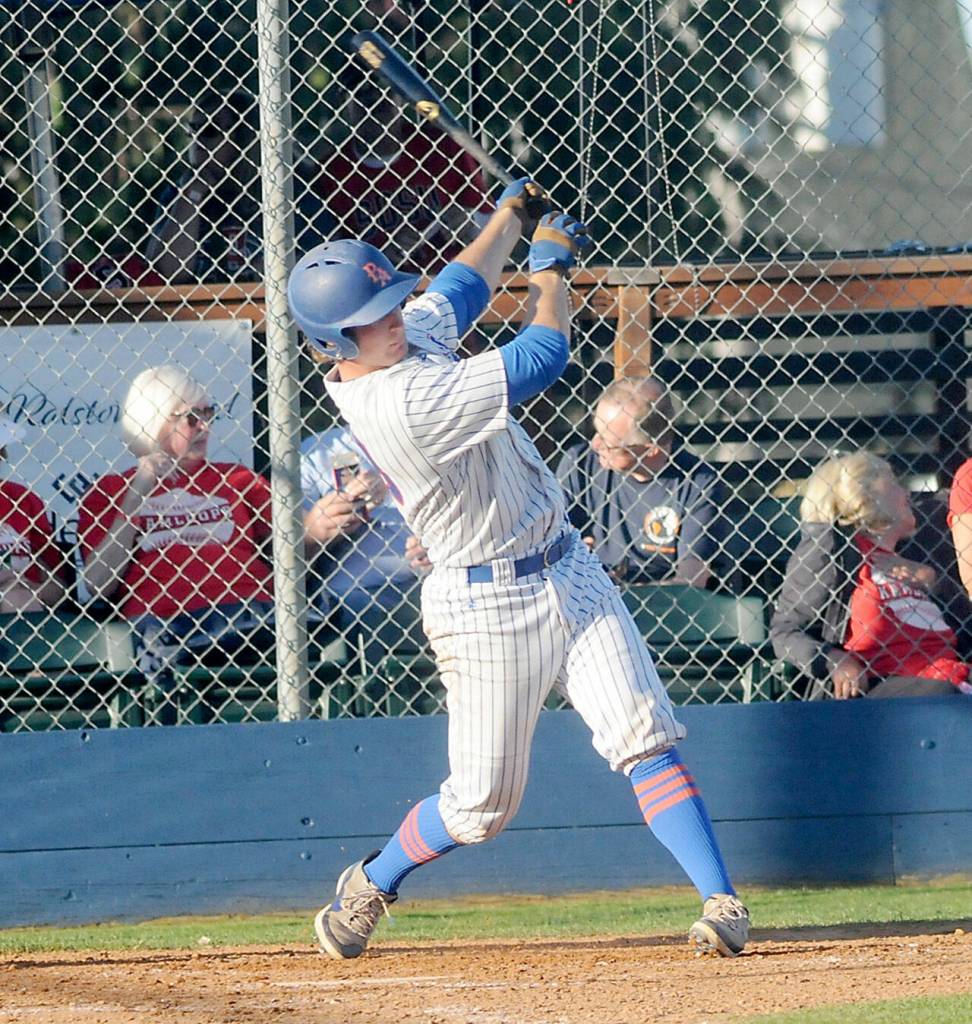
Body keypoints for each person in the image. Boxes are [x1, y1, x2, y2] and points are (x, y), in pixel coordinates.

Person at [287, 177, 749, 960]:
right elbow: (545, 353)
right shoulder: (398, 403)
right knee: (481, 807)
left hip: (568, 566)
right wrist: (550, 271)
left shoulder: (401, 336)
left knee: (644, 734)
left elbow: (460, 289)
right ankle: (372, 881)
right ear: (333, 346)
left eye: (390, 304)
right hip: (483, 603)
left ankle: (720, 899)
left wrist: (507, 217)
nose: (393, 322)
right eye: (370, 322)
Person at [77, 365, 275, 725]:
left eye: (209, 414)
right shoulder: (110, 491)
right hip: (168, 622)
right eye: (191, 419)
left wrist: (322, 524)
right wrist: (139, 490)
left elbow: (292, 546)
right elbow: (97, 584)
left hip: (252, 611)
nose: (205, 428)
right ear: (154, 421)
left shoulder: (237, 478)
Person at [771, 451, 972, 699]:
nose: (907, 493)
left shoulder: (917, 555)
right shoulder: (832, 551)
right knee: (942, 693)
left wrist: (933, 581)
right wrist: (833, 660)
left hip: (953, 677)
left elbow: (967, 626)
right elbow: (785, 631)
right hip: (882, 691)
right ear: (864, 494)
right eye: (895, 483)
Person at [146, 89, 333, 285]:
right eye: (193, 129)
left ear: (244, 137)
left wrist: (285, 268)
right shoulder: (181, 194)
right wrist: (191, 197)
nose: (197, 139)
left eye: (210, 130)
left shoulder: (289, 191)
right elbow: (166, 273)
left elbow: (324, 262)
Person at [555, 377, 726, 587]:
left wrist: (619, 590)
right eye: (596, 432)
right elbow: (552, 544)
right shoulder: (580, 463)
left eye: (609, 443)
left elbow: (691, 580)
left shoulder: (697, 483)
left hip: (663, 607)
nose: (595, 444)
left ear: (651, 448)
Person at [315, 75, 491, 274]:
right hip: (381, 289)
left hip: (454, 276)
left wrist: (470, 219)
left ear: (401, 98)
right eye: (363, 94)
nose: (376, 101)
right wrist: (376, 257)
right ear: (345, 104)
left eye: (385, 90)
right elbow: (328, 258)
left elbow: (495, 220)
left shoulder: (441, 147)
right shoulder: (332, 172)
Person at [301, 424, 430, 664]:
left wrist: (445, 539)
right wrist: (317, 528)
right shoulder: (316, 451)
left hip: (435, 580)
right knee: (354, 607)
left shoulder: (435, 437)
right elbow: (287, 554)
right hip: (352, 595)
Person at [0, 415, 66, 613]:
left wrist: (30, 589)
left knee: (18, 598)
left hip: (23, 606)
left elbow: (58, 589)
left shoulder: (21, 499)